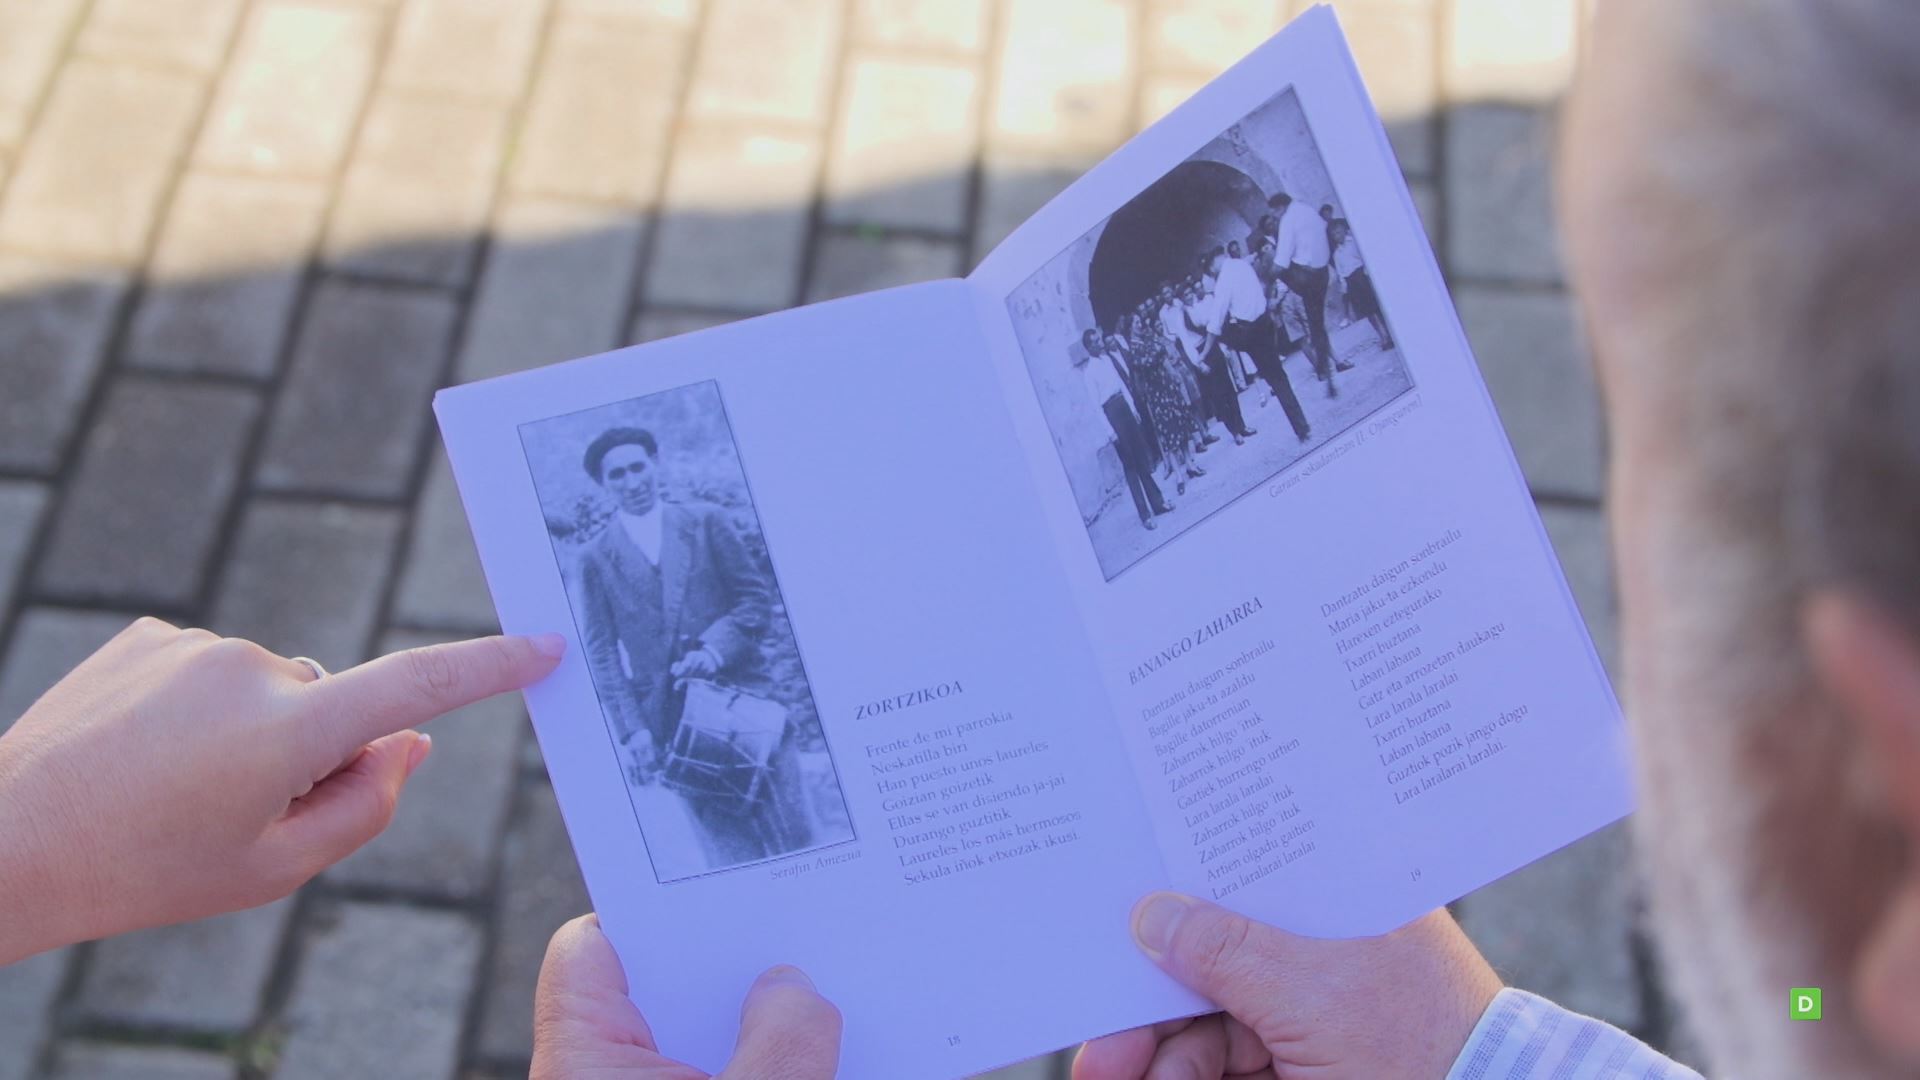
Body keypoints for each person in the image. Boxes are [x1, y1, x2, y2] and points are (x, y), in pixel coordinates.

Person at [572, 426, 815, 865]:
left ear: (655, 463)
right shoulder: (594, 557)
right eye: (617, 475)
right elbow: (602, 653)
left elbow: (754, 600)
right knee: (732, 857)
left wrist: (713, 650)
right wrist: (634, 730)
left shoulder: (705, 521)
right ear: (602, 485)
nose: (632, 482)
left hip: (749, 701)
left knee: (798, 836)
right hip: (672, 725)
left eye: (638, 467)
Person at [1199, 245, 1312, 443]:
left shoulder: (1223, 280)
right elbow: (1260, 289)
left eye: (1210, 270)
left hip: (1250, 334)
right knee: (1278, 377)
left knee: (1275, 378)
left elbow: (1215, 320)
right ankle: (1300, 424)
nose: (1212, 274)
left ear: (1212, 264)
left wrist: (1204, 352)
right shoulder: (1242, 265)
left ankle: (1301, 426)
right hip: (1264, 324)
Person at [1078, 328, 1173, 530]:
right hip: (1112, 415)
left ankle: (1158, 503)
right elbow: (1096, 407)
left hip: (1125, 408)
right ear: (1088, 348)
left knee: (1142, 460)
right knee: (1130, 467)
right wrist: (1110, 432)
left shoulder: (1107, 361)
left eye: (1099, 340)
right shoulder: (1089, 373)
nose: (1100, 344)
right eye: (1095, 342)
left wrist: (1133, 409)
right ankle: (1144, 515)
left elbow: (1121, 385)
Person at [1271, 190, 1348, 390]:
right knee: (1308, 331)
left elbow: (1282, 263)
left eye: (1275, 214)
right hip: (1301, 286)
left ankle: (1331, 364)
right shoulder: (1303, 214)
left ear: (1280, 208)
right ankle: (1324, 369)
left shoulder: (1289, 223)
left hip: (1301, 285)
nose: (1275, 219)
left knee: (1313, 327)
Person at [1182, 274, 1256, 445]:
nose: (1189, 296)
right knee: (1219, 396)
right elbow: (1187, 343)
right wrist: (1199, 363)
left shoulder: (1201, 305)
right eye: (1185, 295)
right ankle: (1234, 431)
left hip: (1213, 347)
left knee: (1230, 389)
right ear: (1182, 299)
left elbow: (1213, 327)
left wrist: (1221, 345)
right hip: (1200, 352)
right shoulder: (1183, 316)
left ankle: (1242, 425)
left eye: (1190, 293)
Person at [1329, 217, 1391, 351]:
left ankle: (1389, 333)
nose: (1337, 236)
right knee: (1368, 313)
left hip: (1362, 276)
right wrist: (1345, 288)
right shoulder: (1337, 254)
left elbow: (1365, 258)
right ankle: (1382, 336)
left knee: (1378, 308)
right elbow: (1341, 273)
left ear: (1344, 230)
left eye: (1338, 232)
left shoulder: (1354, 242)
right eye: (1334, 234)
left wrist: (1368, 275)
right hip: (1352, 282)